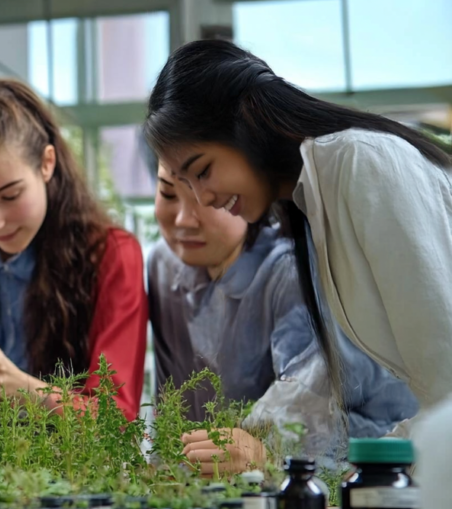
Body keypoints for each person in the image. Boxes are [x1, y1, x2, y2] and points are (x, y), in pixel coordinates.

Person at [144, 39, 452, 430]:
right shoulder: (313, 201)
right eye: (180, 184)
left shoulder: (360, 163)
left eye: (203, 171)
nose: (204, 197)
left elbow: (445, 371)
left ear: (248, 122)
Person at [149, 163, 419, 474]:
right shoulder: (164, 266)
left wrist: (264, 451)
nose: (183, 219)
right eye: (168, 193)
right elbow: (172, 405)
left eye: (204, 198)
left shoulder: (292, 268)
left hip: (352, 473)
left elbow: (311, 416)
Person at [0, 79, 147, 420]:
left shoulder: (110, 254)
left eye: (9, 196)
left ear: (47, 163)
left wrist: (20, 387)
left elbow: (117, 419)